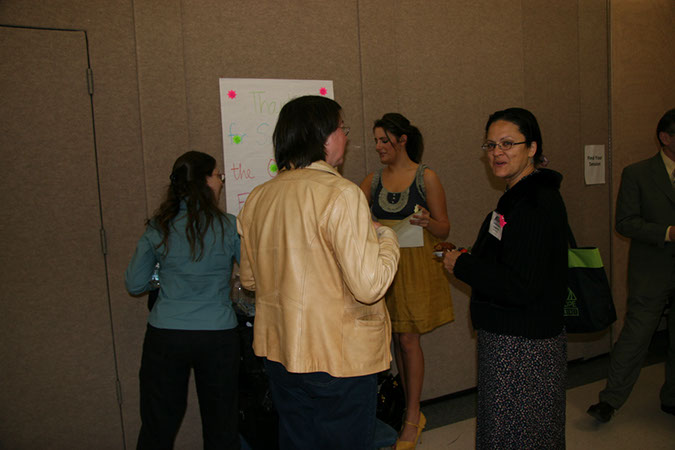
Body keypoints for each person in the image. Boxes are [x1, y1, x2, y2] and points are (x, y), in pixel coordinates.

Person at [236, 95, 400, 450]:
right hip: (339, 358)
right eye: (342, 128)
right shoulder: (341, 194)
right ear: (321, 136)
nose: (346, 137)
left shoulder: (258, 198)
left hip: (281, 353)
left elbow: (249, 281)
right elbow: (370, 285)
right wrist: (386, 238)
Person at [444, 108, 568, 449]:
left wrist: (463, 265)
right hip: (513, 336)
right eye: (491, 145)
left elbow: (521, 285)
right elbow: (515, 258)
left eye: (508, 143)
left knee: (517, 433)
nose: (497, 152)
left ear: (532, 148)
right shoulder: (517, 196)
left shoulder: (534, 203)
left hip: (523, 345)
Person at [125, 151, 241, 449]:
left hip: (166, 335)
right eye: (218, 175)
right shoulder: (229, 226)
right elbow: (254, 277)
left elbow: (135, 283)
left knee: (157, 426)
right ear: (205, 181)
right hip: (217, 335)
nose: (221, 182)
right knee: (222, 427)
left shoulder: (159, 226)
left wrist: (164, 277)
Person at [359, 113, 453, 449]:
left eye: (384, 140)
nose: (378, 147)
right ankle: (405, 408)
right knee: (397, 339)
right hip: (386, 267)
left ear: (402, 140)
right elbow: (352, 218)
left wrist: (428, 221)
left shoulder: (427, 177)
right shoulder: (372, 181)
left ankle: (413, 415)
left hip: (416, 269)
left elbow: (444, 228)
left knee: (409, 340)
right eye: (376, 141)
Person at [587, 108, 675, 423]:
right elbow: (625, 222)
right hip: (652, 270)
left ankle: (672, 397)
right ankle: (610, 400)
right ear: (665, 138)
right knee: (636, 335)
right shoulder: (637, 173)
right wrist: (667, 233)